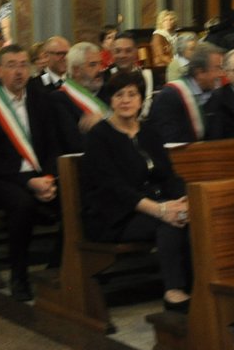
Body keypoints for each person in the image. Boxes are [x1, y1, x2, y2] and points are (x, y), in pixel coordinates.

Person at [81, 71, 192, 311]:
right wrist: (160, 210)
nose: (126, 100)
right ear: (110, 100)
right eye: (119, 95)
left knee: (188, 215)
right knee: (170, 222)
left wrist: (183, 199)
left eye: (132, 94)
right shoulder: (99, 136)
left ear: (141, 100)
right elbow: (114, 188)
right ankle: (173, 291)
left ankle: (198, 285)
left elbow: (167, 175)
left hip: (151, 205)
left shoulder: (149, 131)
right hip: (114, 215)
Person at [0, 45, 63, 302]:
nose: (18, 72)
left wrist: (50, 178)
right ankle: (19, 276)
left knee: (77, 193)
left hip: (40, 176)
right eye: (11, 65)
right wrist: (29, 181)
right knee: (22, 204)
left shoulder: (41, 100)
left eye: (23, 65)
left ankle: (58, 269)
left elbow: (53, 145)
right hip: (0, 179)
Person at [146, 43, 223, 145]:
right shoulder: (169, 97)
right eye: (217, 68)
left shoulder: (217, 95)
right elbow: (168, 142)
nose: (221, 74)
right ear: (200, 72)